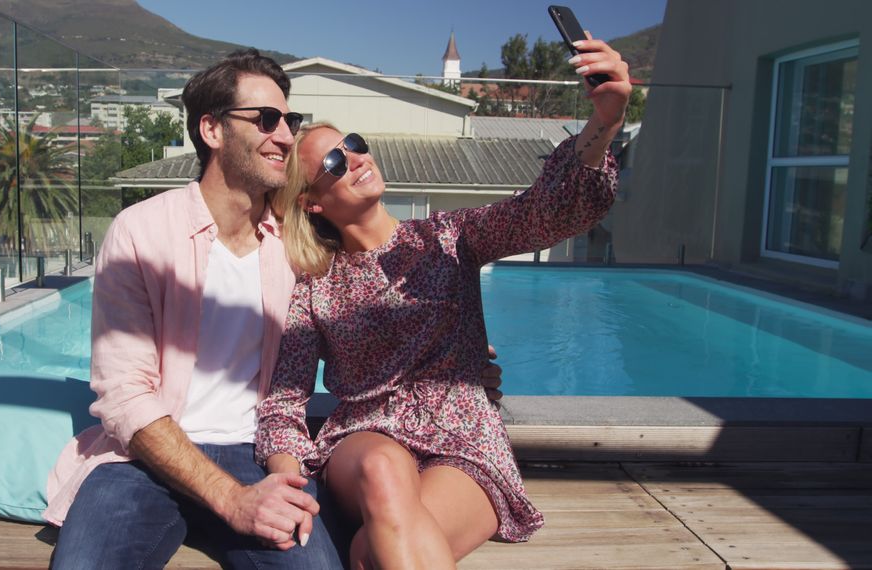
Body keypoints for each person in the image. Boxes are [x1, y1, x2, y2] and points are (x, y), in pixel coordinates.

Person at [43, 48, 504, 568]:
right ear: (212, 131)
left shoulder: (299, 249)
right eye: (265, 120)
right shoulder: (142, 232)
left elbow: (371, 319)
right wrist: (231, 499)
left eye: (289, 120)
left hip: (260, 457)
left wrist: (451, 364)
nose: (284, 135)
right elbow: (124, 394)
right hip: (145, 457)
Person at [255, 38, 630, 568]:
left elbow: (547, 212)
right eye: (336, 161)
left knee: (369, 554)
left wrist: (605, 123)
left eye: (355, 143)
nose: (357, 158)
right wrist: (286, 480)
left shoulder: (450, 238)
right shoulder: (315, 284)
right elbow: (285, 401)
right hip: (365, 437)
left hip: (463, 440)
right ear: (311, 202)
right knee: (384, 469)